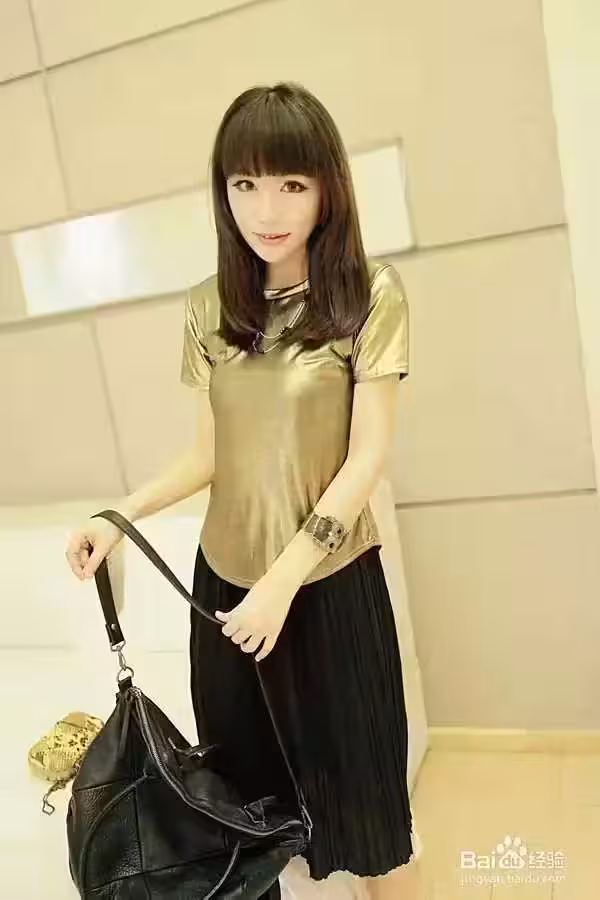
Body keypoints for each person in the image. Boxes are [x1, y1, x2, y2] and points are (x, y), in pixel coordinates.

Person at [66, 82, 427, 900]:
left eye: (291, 184)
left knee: (364, 811)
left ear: (327, 188)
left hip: (327, 588)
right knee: (248, 816)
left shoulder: (369, 295)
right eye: (245, 184)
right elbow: (209, 455)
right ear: (223, 191)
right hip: (228, 594)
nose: (267, 209)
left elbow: (365, 459)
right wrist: (120, 515)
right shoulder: (209, 308)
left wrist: (284, 581)